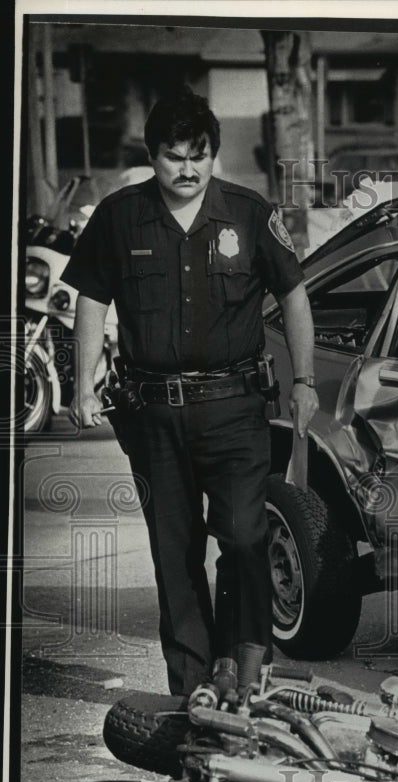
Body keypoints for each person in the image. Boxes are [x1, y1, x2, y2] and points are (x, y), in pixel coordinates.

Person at [63, 86, 319, 696]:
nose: (186, 168)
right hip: (152, 415)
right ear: (152, 156)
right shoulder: (120, 216)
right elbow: (92, 300)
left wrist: (305, 380)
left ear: (213, 154)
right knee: (174, 554)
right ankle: (192, 688)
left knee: (244, 537)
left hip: (234, 410)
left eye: (197, 155)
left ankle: (245, 670)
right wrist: (82, 385)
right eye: (173, 156)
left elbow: (294, 296)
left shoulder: (249, 213)